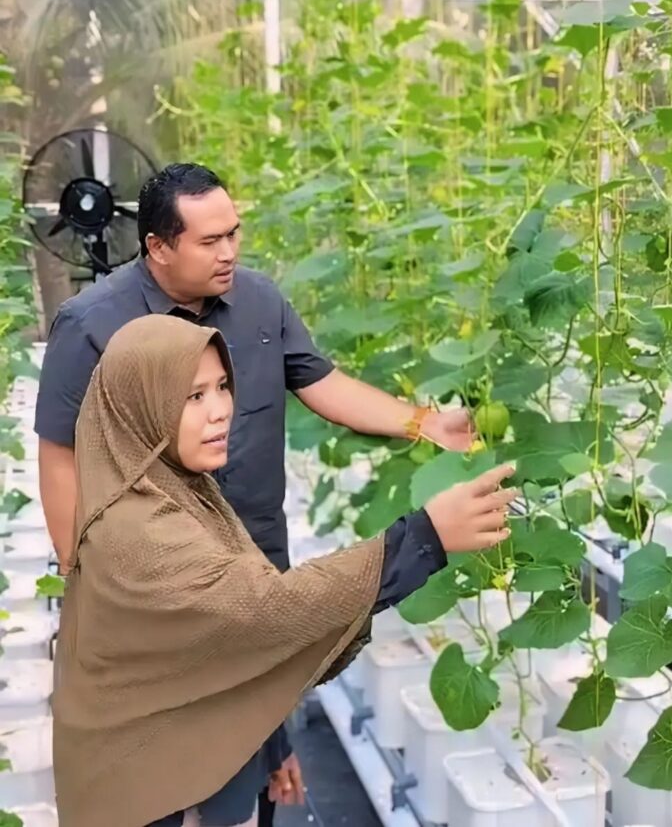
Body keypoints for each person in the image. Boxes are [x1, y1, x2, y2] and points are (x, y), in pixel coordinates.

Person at [34, 163, 475, 820]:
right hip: (159, 578)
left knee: (253, 716)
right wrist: (87, 570)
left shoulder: (259, 302)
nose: (230, 252)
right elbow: (59, 454)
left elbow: (322, 381)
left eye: (234, 234)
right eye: (210, 242)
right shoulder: (93, 324)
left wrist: (421, 422)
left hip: (251, 549)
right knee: (175, 743)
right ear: (157, 247)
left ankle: (259, 778)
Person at [52, 314, 516, 827]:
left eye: (222, 387)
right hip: (153, 802)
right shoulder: (136, 531)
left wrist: (273, 748)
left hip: (192, 776)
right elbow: (264, 609)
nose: (220, 411)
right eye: (193, 397)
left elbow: (232, 647)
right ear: (142, 407)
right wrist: (422, 539)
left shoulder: (171, 488)